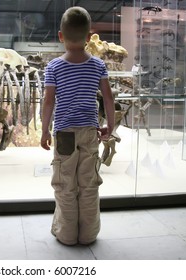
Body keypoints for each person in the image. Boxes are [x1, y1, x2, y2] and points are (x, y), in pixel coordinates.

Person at [40, 6, 115, 246]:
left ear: (61, 36)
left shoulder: (53, 67)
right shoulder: (98, 66)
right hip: (89, 132)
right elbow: (108, 98)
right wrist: (110, 126)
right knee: (88, 183)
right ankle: (88, 235)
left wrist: (43, 130)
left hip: (64, 134)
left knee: (65, 184)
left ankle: (67, 235)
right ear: (89, 35)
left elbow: (48, 101)